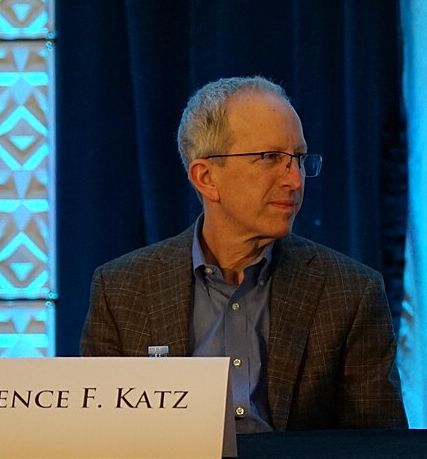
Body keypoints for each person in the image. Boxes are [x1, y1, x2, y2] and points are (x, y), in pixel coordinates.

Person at [81, 76, 406, 432]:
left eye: (298, 159)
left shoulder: (350, 293)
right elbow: (101, 444)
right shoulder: (122, 291)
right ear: (206, 178)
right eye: (270, 158)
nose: (295, 181)